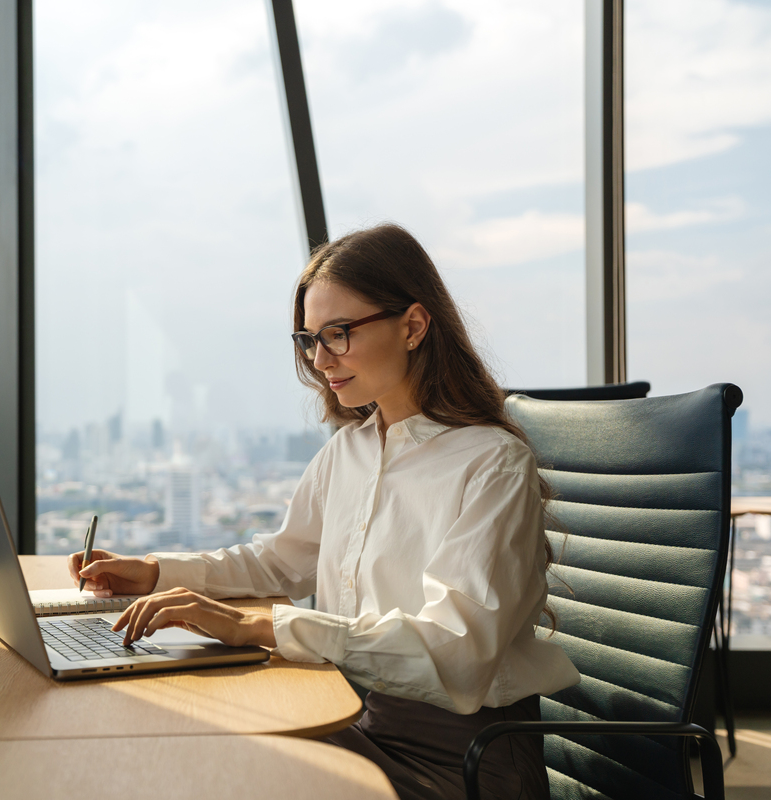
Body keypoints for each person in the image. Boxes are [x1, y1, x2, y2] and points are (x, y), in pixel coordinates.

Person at [67, 223, 580, 800]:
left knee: (214, 762)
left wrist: (260, 625)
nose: (320, 359)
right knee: (190, 733)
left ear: (413, 326)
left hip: (458, 760)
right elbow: (280, 562)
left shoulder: (492, 463)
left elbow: (457, 650)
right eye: (309, 339)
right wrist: (159, 573)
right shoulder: (351, 450)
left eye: (338, 334)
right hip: (349, 711)